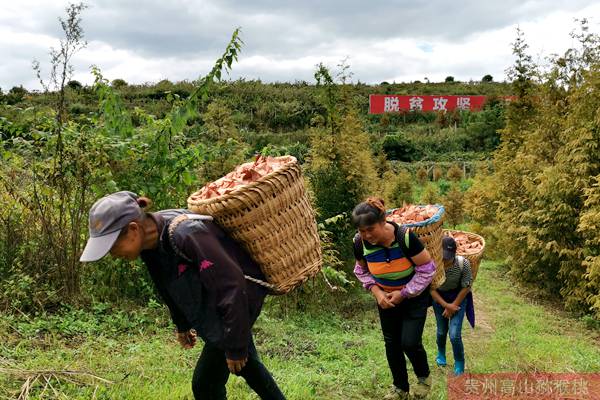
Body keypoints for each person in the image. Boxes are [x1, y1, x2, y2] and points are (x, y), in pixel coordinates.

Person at [80, 191, 285, 400]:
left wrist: (235, 346)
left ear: (133, 229)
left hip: (235, 306)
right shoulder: (150, 245)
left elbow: (232, 286)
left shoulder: (186, 233)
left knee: (206, 384)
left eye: (113, 247)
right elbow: (165, 283)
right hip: (219, 310)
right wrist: (182, 324)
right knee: (246, 367)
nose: (113, 255)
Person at [352, 197, 436, 400]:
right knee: (392, 344)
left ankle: (423, 377)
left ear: (383, 222)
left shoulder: (405, 238)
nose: (366, 235)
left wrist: (404, 293)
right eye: (362, 231)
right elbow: (361, 271)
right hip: (386, 299)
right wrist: (378, 293)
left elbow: (427, 269)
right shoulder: (359, 243)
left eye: (371, 229)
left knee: (409, 342)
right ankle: (400, 388)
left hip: (414, 298)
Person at [430, 236, 475, 376]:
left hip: (458, 299)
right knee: (441, 331)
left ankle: (459, 362)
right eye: (444, 257)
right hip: (439, 300)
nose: (446, 261)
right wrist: (446, 306)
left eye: (449, 257)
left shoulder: (463, 264)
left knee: (454, 335)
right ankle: (441, 354)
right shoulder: (434, 264)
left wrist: (453, 305)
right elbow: (431, 288)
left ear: (455, 254)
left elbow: (466, 286)